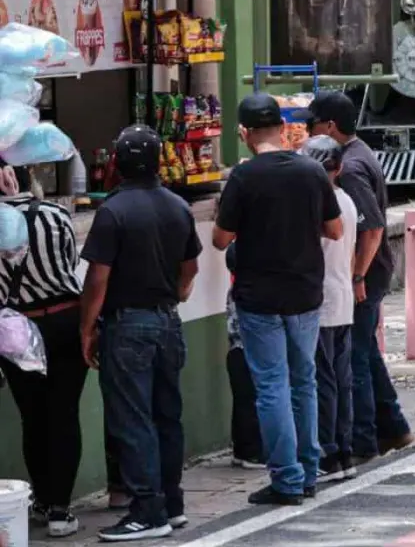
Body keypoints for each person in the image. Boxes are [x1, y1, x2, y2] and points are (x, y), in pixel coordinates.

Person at [212, 94, 343, 506]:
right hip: (305, 293)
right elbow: (335, 230)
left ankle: (286, 479)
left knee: (271, 386)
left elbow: (219, 240)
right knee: (303, 381)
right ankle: (306, 471)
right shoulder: (311, 170)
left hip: (259, 298)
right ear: (283, 129)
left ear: (245, 133)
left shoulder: (243, 177)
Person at [80, 126, 201, 541]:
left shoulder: (113, 212)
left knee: (133, 420)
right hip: (168, 322)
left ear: (116, 163)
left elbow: (98, 278)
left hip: (128, 325)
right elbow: (190, 271)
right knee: (167, 415)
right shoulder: (177, 206)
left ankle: (147, 512)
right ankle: (172, 502)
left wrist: (86, 329)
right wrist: (173, 297)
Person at [304, 91, 415, 462]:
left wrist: (357, 276)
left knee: (356, 359)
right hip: (367, 270)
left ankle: (364, 440)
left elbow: (373, 228)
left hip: (361, 274)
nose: (308, 133)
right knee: (366, 352)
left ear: (329, 126)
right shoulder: (358, 153)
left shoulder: (348, 169)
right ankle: (394, 427)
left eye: (311, 125)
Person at [0, 165, 85, 538]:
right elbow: (67, 262)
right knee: (64, 414)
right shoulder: (55, 214)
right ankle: (60, 511)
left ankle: (41, 499)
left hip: (18, 329)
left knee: (33, 417)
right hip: (66, 319)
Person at [301, 135, 359, 482]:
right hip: (341, 298)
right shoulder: (346, 200)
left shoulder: (322, 205)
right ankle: (343, 451)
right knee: (339, 380)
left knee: (326, 381)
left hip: (323, 301)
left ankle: (329, 452)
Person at [224, 254, 265, 470]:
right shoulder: (247, 292)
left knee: (242, 401)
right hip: (247, 350)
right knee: (251, 401)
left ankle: (241, 449)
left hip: (235, 351)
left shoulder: (235, 291)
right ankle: (253, 452)